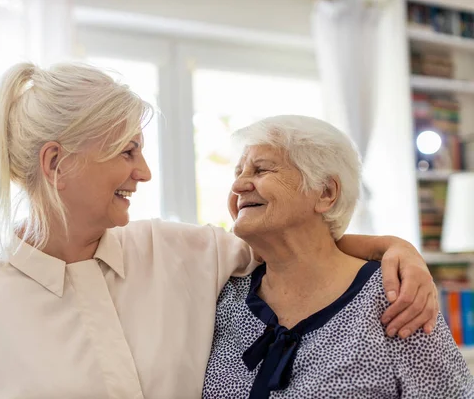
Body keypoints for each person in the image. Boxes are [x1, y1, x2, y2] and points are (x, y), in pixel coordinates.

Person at [0, 61, 437, 399]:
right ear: (57, 162)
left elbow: (298, 240)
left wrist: (397, 248)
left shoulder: (180, 251)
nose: (143, 172)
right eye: (127, 151)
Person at [202, 115, 473, 399]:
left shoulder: (394, 294)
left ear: (326, 193)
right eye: (238, 173)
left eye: (261, 170)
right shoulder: (223, 293)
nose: (238, 185)